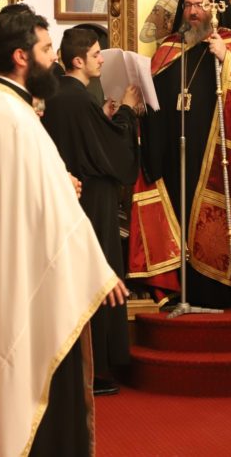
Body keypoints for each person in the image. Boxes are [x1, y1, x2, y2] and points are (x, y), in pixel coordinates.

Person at [0, 4, 128, 457]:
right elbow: (47, 209)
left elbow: (20, 193)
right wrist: (101, 269)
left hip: (0, 270)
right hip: (22, 284)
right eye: (47, 49)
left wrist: (58, 182)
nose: (54, 58)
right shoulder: (12, 119)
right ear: (21, 57)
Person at [130, 0, 231, 308]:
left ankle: (222, 292)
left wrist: (226, 60)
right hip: (173, 156)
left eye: (199, 4)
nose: (192, 12)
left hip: (215, 156)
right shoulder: (169, 49)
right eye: (187, 5)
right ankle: (179, 291)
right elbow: (153, 95)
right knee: (179, 215)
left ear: (215, 7)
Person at [41, 27, 141, 396]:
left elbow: (87, 136)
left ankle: (82, 366)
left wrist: (104, 115)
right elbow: (111, 153)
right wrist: (127, 111)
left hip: (69, 196)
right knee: (95, 274)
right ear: (78, 60)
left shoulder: (63, 95)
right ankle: (97, 368)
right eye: (97, 54)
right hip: (92, 200)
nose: (101, 59)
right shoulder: (78, 98)